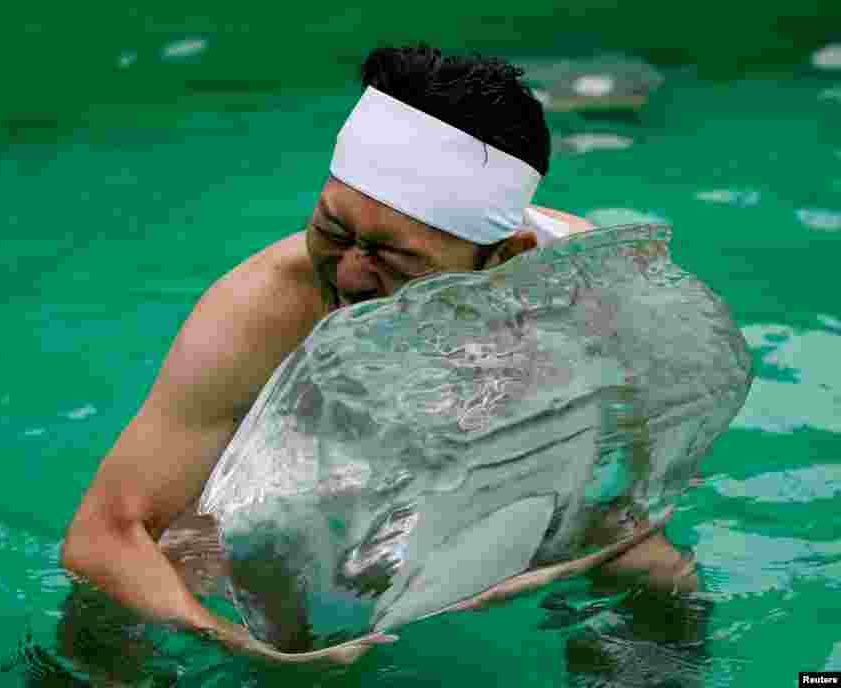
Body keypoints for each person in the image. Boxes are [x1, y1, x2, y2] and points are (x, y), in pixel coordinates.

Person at [60, 44, 698, 678]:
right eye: (334, 232)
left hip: (460, 483)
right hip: (281, 502)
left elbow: (626, 484)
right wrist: (240, 645)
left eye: (394, 259)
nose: (348, 275)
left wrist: (523, 562)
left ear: (506, 260)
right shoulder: (262, 310)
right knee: (143, 594)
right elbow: (101, 539)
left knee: (659, 578)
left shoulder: (585, 296)